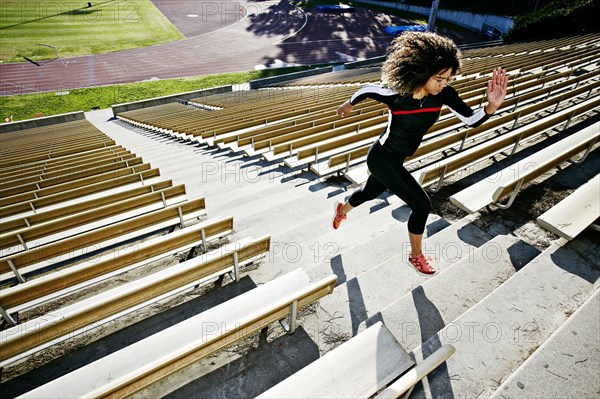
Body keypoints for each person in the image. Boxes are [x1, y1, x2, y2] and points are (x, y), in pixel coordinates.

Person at [332, 31, 508, 276]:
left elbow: (470, 120)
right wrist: (350, 103)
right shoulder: (397, 94)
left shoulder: (444, 94)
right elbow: (369, 89)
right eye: (439, 78)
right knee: (421, 204)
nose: (444, 83)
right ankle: (416, 256)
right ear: (422, 71)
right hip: (382, 157)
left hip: (397, 158)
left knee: (370, 193)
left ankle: (342, 209)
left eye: (447, 78)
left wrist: (491, 106)